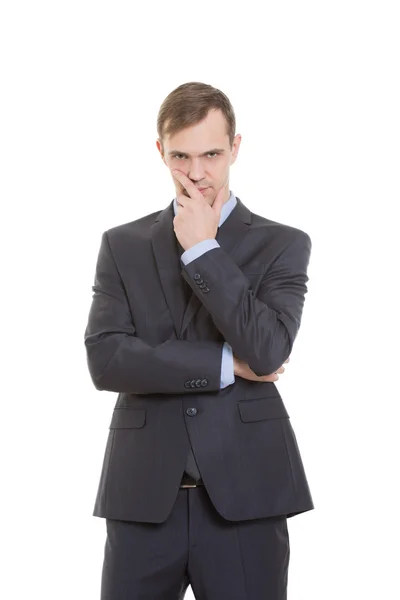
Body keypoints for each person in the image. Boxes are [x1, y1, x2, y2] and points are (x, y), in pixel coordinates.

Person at [84, 81, 314, 600]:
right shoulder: (122, 244)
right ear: (160, 151)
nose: (195, 173)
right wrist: (226, 364)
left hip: (247, 497)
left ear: (235, 148)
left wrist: (204, 250)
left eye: (211, 154)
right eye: (180, 156)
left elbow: (271, 349)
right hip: (143, 496)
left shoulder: (283, 244)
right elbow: (107, 359)